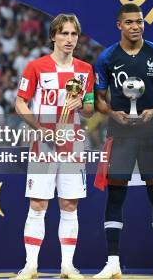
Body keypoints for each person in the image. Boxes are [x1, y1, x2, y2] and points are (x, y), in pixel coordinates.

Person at [93, 3, 153, 278]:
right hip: (119, 133)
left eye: (140, 22)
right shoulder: (107, 58)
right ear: (119, 25)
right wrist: (112, 113)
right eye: (129, 22)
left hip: (151, 131)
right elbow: (98, 99)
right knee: (116, 193)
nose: (135, 26)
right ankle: (112, 263)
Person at [15, 14, 94, 279]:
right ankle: (31, 266)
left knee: (69, 205)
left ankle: (67, 266)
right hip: (43, 144)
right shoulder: (36, 67)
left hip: (72, 144)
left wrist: (81, 104)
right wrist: (39, 129)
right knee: (38, 204)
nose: (69, 39)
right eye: (64, 34)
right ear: (53, 36)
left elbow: (92, 108)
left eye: (73, 34)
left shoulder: (85, 70)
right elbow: (20, 103)